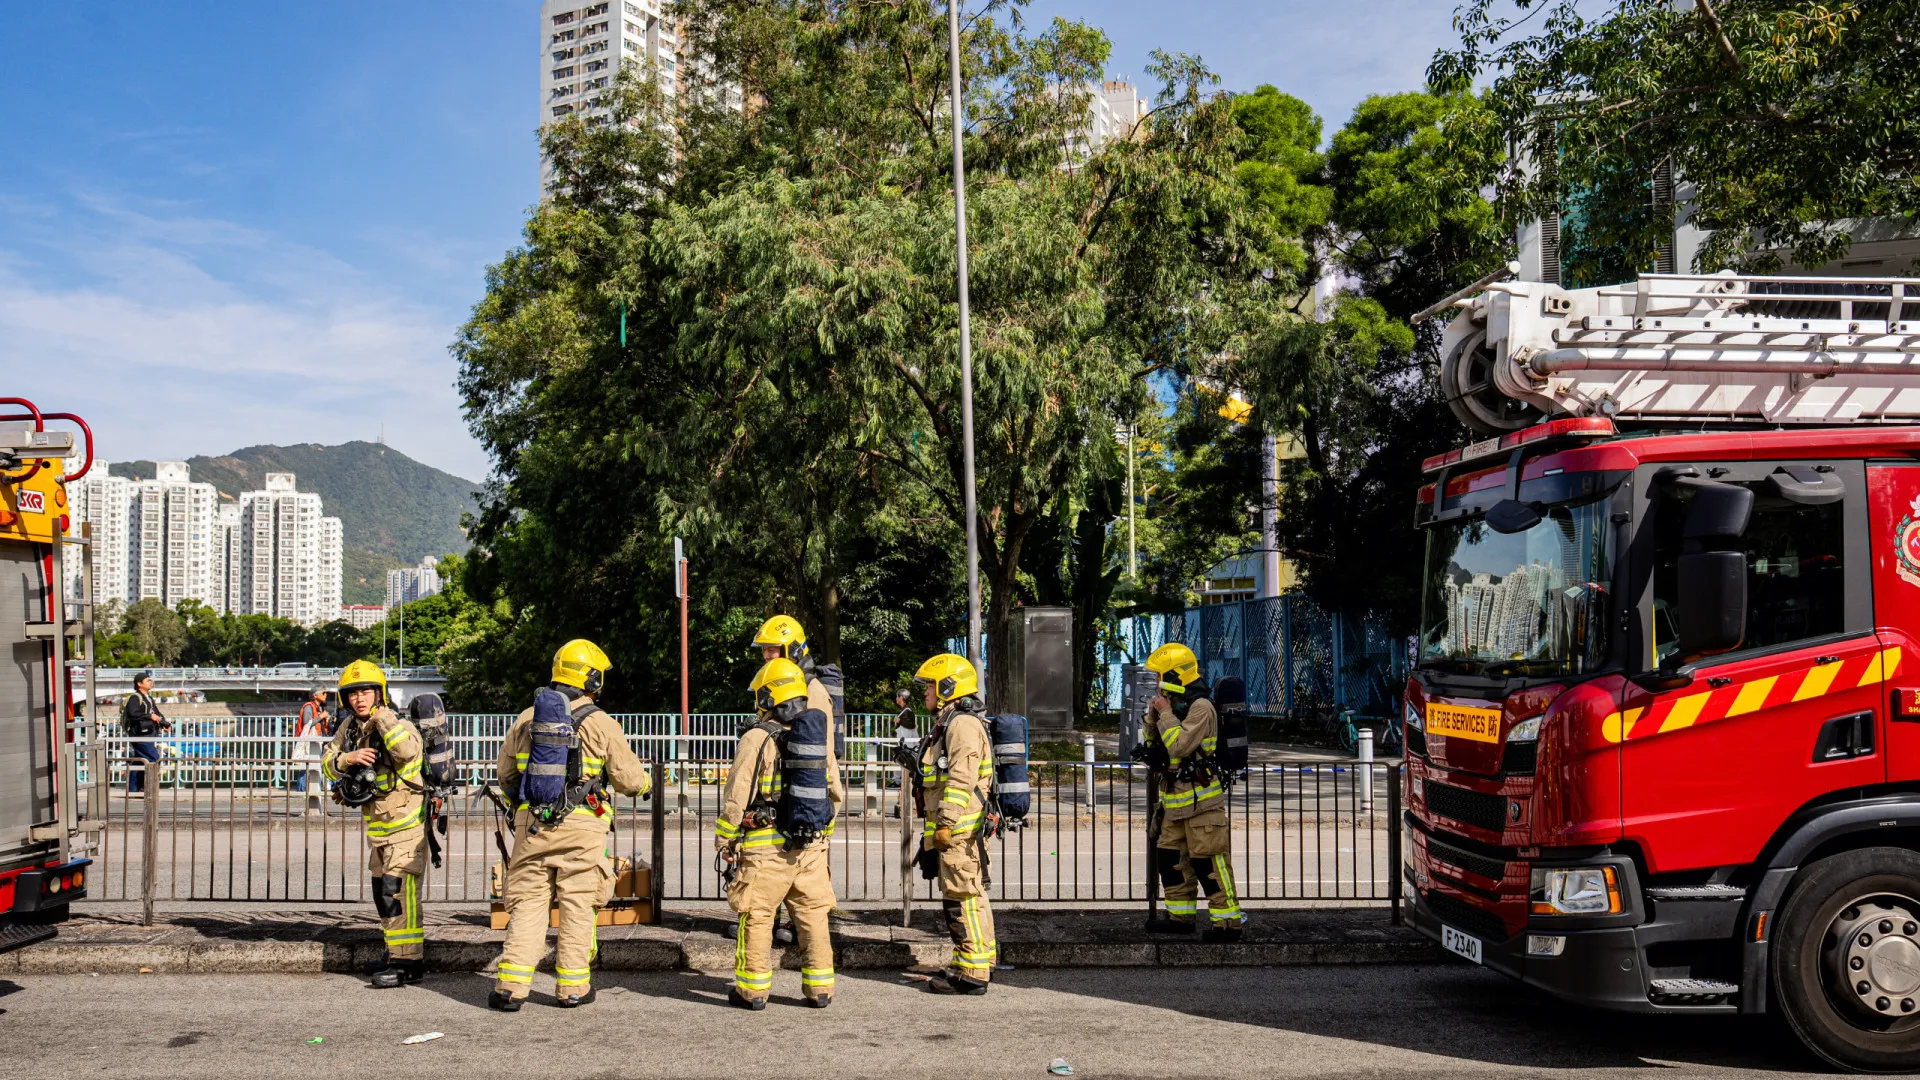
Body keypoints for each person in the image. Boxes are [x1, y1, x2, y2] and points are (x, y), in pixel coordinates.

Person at [489, 640, 651, 1012]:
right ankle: (572, 988)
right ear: (592, 679)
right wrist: (646, 785)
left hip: (532, 825)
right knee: (578, 903)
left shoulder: (527, 717)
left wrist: (528, 807)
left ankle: (510, 988)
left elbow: (506, 775)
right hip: (583, 827)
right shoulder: (600, 723)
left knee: (529, 904)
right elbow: (629, 779)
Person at [716, 658, 838, 1010]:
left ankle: (752, 991)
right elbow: (833, 791)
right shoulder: (816, 734)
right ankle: (821, 990)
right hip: (811, 847)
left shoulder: (757, 736)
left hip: (767, 846)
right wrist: (821, 835)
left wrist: (726, 838)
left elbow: (738, 793)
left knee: (757, 915)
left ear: (769, 697)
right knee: (813, 916)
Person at [320, 660, 427, 988]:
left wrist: (382, 719)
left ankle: (408, 962)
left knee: (398, 893)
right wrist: (347, 759)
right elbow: (327, 763)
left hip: (406, 825)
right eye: (352, 693)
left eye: (366, 691)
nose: (359, 698)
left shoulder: (395, 722)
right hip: (378, 827)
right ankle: (395, 951)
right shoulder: (349, 728)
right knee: (382, 894)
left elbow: (408, 752)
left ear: (379, 693)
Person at [1141, 642, 1245, 942]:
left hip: (1202, 802)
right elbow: (1154, 746)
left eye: (1162, 676)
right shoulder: (1172, 706)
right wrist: (1153, 716)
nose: (1159, 683)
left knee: (1208, 863)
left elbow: (1180, 746)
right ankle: (1180, 918)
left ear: (1177, 674)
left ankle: (1227, 923)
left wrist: (1166, 714)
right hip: (1174, 801)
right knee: (1171, 861)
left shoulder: (1201, 707)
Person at [751, 615, 845, 942]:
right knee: (776, 858)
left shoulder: (811, 689)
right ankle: (773, 921)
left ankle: (799, 925)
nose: (766, 656)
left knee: (808, 861)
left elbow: (823, 751)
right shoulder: (785, 682)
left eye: (772, 650)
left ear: (792, 648)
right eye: (764, 650)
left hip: (807, 788)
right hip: (787, 786)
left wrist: (828, 801)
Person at [914, 653, 997, 995]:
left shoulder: (961, 724)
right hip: (954, 827)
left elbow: (961, 778)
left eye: (931, 686)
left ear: (948, 686)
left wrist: (945, 822)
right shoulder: (949, 722)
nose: (926, 693)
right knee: (963, 895)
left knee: (964, 897)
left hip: (960, 828)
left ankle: (974, 973)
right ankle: (973, 962)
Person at [121, 671, 171, 795]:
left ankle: (133, 790)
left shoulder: (148, 698)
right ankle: (148, 788)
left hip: (149, 733)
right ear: (139, 684)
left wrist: (165, 724)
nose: (151, 682)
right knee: (154, 758)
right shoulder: (135, 698)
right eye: (148, 680)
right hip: (139, 734)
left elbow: (157, 714)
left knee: (139, 760)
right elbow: (133, 714)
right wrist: (150, 716)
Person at [292, 686, 331, 792]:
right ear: (315, 695)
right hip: (308, 741)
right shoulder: (309, 707)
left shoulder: (320, 708)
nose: (326, 695)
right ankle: (301, 790)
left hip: (317, 740)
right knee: (306, 765)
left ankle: (314, 788)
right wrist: (320, 717)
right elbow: (307, 724)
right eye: (323, 693)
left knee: (315, 764)